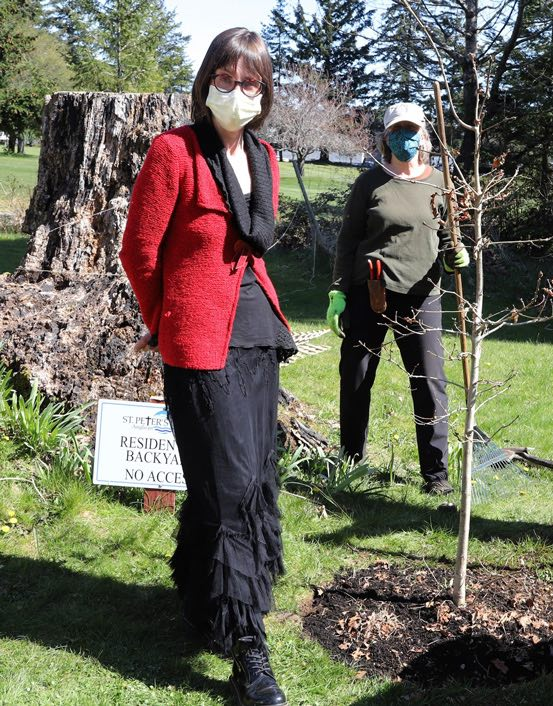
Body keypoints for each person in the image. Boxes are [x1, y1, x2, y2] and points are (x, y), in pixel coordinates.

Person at [120, 28, 294, 706]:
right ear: (206, 81)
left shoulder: (267, 156)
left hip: (257, 330)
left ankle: (202, 599)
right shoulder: (174, 151)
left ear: (264, 93)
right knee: (226, 485)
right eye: (228, 79)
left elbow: (258, 242)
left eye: (252, 84)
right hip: (196, 338)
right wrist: (164, 317)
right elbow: (141, 249)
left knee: (249, 477)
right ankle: (248, 648)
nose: (238, 93)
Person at [326, 102, 469, 496]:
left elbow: (447, 235)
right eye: (397, 131)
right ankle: (350, 464)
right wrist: (338, 290)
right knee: (355, 379)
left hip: (423, 295)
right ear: (386, 136)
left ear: (424, 135)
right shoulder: (369, 183)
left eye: (412, 131)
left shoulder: (439, 183)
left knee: (430, 383)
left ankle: (435, 476)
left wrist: (458, 254)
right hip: (369, 292)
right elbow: (348, 239)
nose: (405, 138)